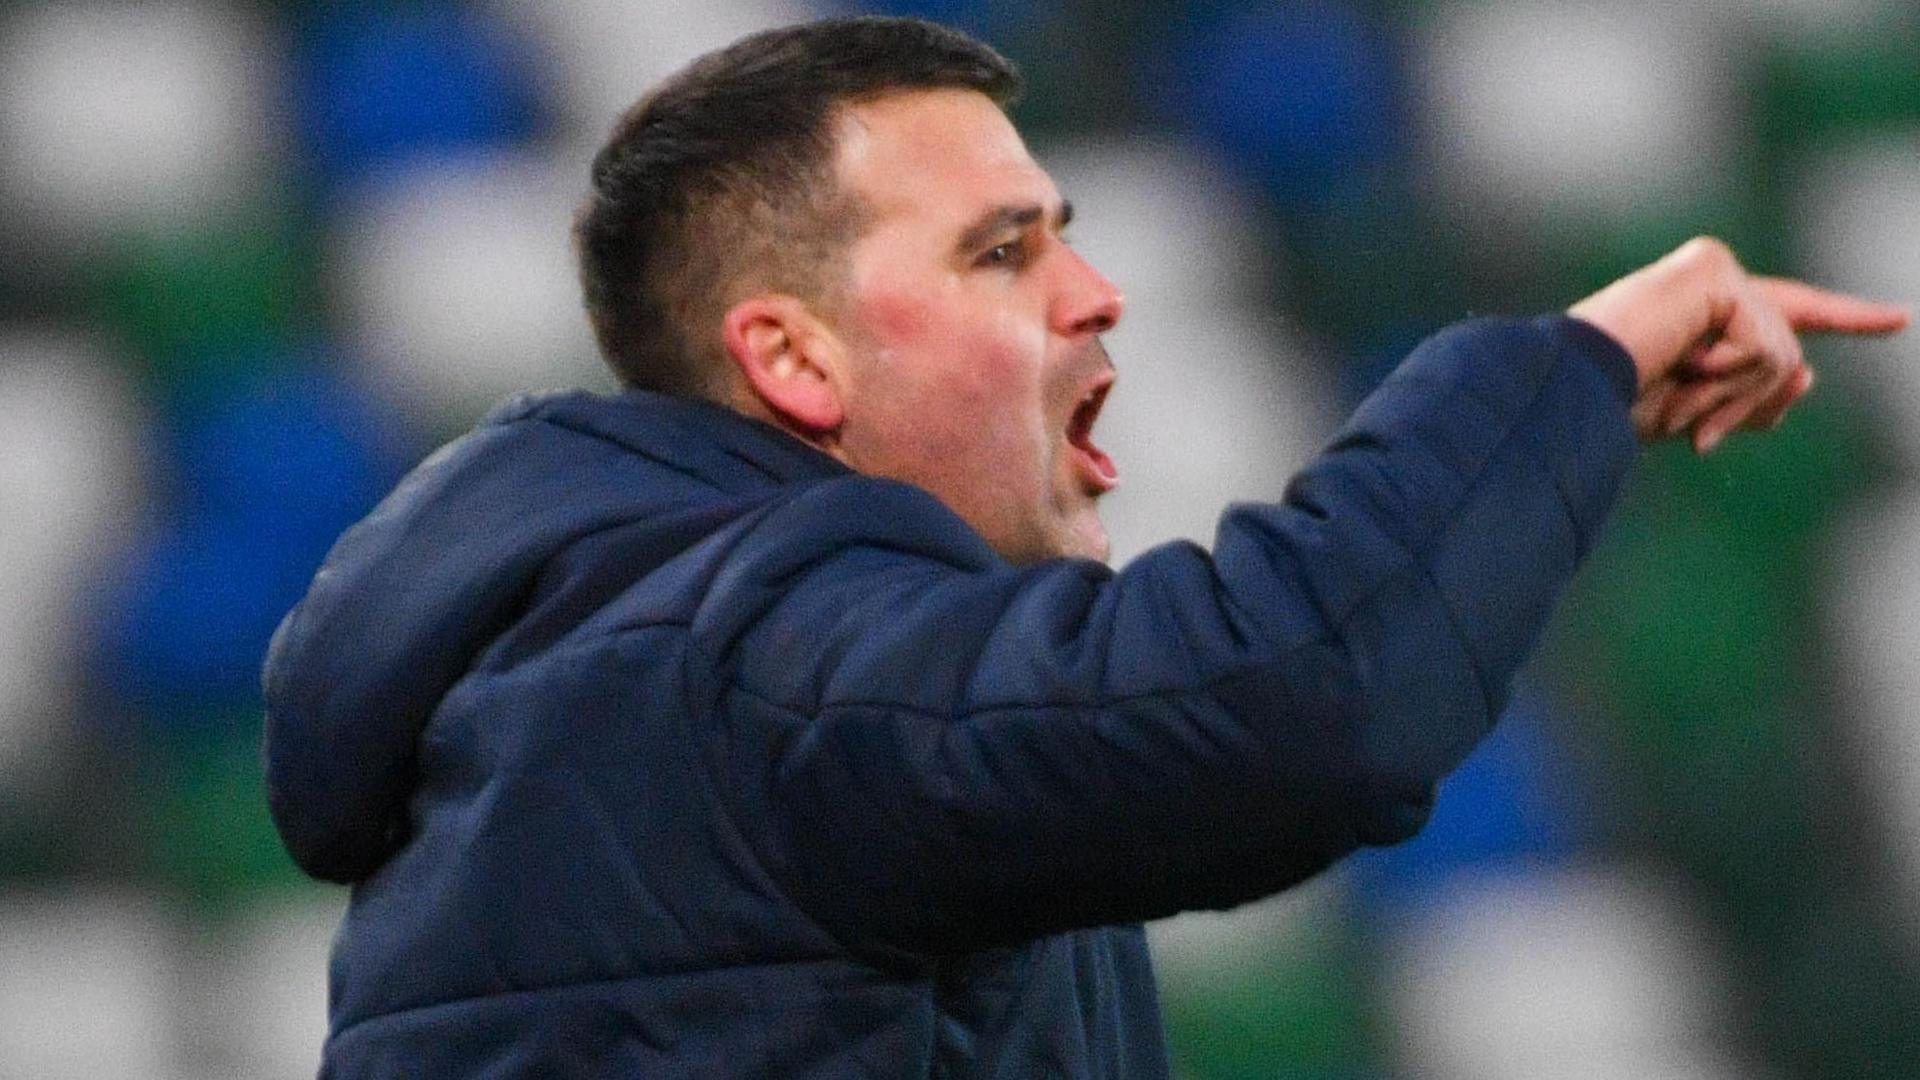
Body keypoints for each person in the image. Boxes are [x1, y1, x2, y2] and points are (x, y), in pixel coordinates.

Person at [262, 16, 1908, 1079]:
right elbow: (1291, 697)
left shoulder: (622, 661)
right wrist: (1575, 364)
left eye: (1070, 233)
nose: (1093, 291)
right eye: (1002, 250)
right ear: (793, 360)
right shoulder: (744, 661)